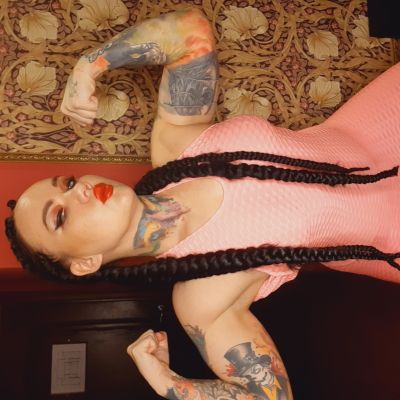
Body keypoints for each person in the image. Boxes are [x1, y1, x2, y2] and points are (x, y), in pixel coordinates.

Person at [5, 8, 400, 399]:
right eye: (60, 215)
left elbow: (189, 31)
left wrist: (90, 64)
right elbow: (271, 396)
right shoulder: (201, 299)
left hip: (383, 117)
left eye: (68, 183)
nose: (79, 191)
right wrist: (166, 382)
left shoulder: (176, 147)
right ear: (85, 263)